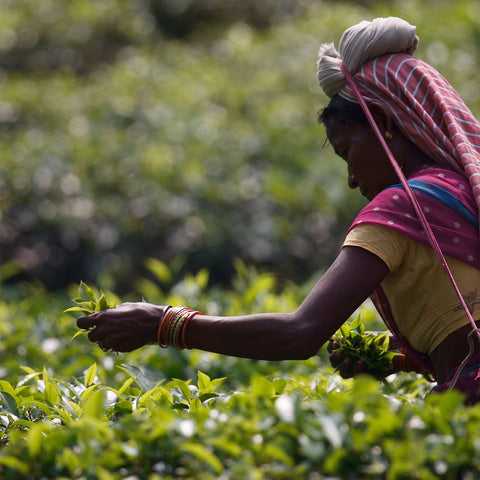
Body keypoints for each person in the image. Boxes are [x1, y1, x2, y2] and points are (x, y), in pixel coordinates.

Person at [77, 17, 480, 405]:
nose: (352, 180)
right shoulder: (463, 192)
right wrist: (395, 355)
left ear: (384, 123)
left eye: (347, 152)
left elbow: (300, 333)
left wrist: (163, 323)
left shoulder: (401, 206)